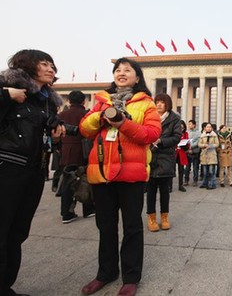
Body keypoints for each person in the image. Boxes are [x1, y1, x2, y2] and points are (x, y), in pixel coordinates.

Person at [79, 58, 161, 296]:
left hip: (131, 174)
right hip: (103, 173)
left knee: (132, 227)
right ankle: (105, 273)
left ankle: (131, 277)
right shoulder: (101, 101)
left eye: (128, 70)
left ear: (137, 77)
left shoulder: (146, 103)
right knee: (105, 226)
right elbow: (85, 129)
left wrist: (123, 123)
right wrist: (101, 116)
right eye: (118, 69)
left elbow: (151, 134)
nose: (122, 73)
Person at [0, 49, 64, 296]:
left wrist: (56, 135)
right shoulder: (8, 87)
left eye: (53, 65)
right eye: (45, 64)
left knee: (18, 231)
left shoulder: (46, 101)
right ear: (28, 65)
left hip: (34, 171)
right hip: (8, 168)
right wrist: (5, 95)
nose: (51, 69)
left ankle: (5, 286)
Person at [57, 90, 95, 224]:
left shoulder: (61, 115)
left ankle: (67, 213)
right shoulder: (86, 115)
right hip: (84, 151)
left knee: (68, 181)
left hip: (66, 151)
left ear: (69, 101)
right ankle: (89, 209)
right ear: (83, 101)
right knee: (86, 179)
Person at [147, 93, 181, 232]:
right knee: (150, 192)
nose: (159, 105)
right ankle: (152, 218)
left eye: (162, 102)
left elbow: (177, 137)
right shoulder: (149, 116)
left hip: (166, 158)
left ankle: (164, 217)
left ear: (167, 104)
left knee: (164, 192)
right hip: (150, 158)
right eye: (157, 102)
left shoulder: (174, 119)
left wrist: (161, 141)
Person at [198, 123, 219, 189]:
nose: (208, 128)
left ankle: (212, 184)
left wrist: (210, 146)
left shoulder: (214, 135)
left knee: (211, 171)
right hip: (204, 154)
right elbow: (199, 144)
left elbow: (217, 144)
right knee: (205, 171)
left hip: (211, 154)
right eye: (207, 127)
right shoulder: (202, 135)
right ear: (205, 128)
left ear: (212, 128)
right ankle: (205, 183)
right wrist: (204, 145)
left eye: (210, 127)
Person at [184, 119, 201, 186]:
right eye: (188, 124)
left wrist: (191, 147)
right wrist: (188, 147)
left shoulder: (198, 132)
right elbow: (185, 140)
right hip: (188, 151)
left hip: (195, 151)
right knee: (187, 167)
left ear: (194, 125)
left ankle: (195, 180)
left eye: (190, 124)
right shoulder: (187, 132)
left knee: (195, 167)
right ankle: (186, 180)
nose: (189, 125)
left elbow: (198, 141)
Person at [175, 120, 188, 192]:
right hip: (174, 153)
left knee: (181, 170)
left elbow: (187, 145)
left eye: (182, 126)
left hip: (181, 153)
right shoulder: (173, 133)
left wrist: (185, 144)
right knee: (172, 170)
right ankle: (169, 186)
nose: (181, 127)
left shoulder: (185, 134)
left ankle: (181, 185)